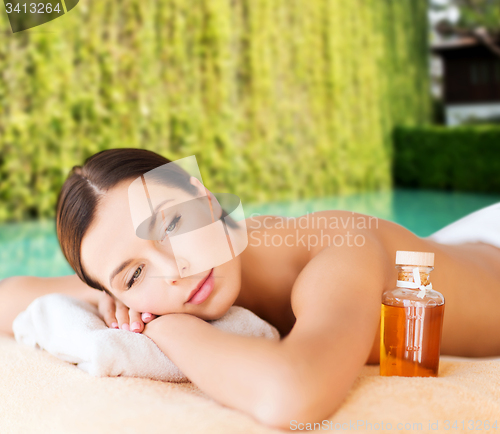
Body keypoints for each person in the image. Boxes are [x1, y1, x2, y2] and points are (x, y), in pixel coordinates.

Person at [1, 147, 500, 429]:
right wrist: (113, 294)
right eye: (132, 274)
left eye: (171, 224)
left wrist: (168, 329)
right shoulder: (159, 281)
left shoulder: (335, 250)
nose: (172, 268)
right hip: (450, 247)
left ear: (206, 198)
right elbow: (9, 295)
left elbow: (293, 393)